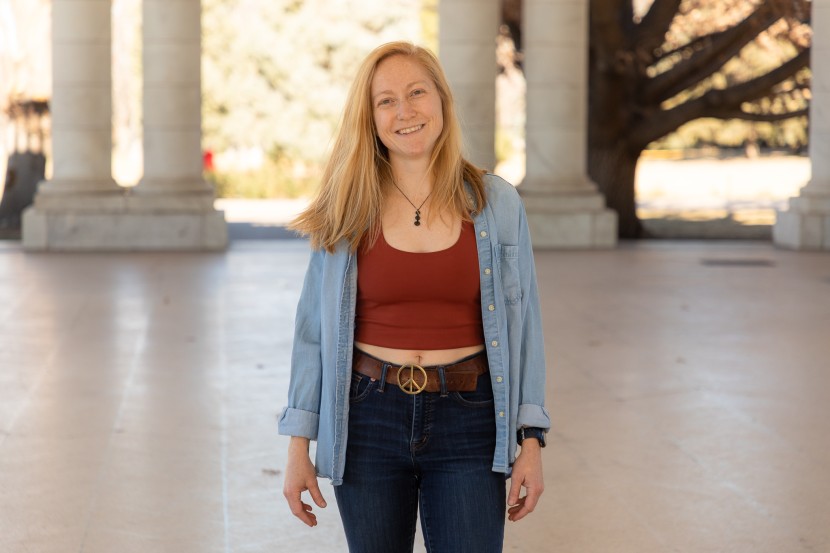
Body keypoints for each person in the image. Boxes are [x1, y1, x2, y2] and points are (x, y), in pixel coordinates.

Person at [278, 41, 550, 553]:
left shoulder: (497, 203)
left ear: (442, 101)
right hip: (367, 419)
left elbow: (526, 324)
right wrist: (299, 446)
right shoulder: (347, 205)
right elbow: (313, 331)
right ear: (371, 118)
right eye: (386, 101)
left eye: (417, 92)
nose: (405, 111)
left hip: (470, 417)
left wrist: (530, 440)